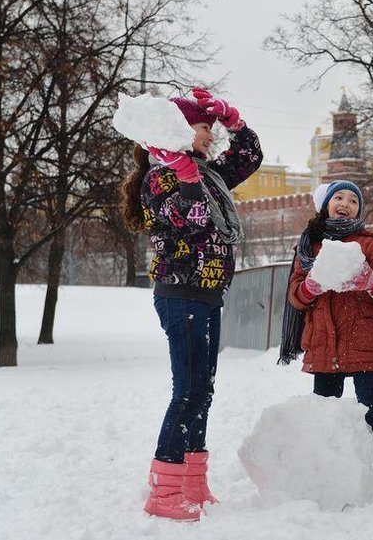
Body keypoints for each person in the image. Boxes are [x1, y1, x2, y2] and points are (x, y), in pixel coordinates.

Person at [119, 87, 262, 519]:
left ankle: (193, 482)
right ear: (180, 131)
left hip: (206, 293)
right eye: (204, 128)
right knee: (187, 391)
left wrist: (233, 119)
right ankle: (164, 492)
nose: (209, 137)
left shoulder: (205, 172)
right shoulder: (159, 178)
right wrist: (182, 172)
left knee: (204, 389)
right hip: (181, 295)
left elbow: (248, 157)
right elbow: (192, 219)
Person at [281, 180, 373, 498]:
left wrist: (372, 282)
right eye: (338, 197)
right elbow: (294, 295)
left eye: (353, 200)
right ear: (326, 204)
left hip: (363, 337)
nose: (345, 203)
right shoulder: (308, 247)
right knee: (325, 409)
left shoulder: (371, 244)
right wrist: (310, 288)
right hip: (323, 339)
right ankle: (328, 473)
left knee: (372, 405)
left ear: (359, 210)